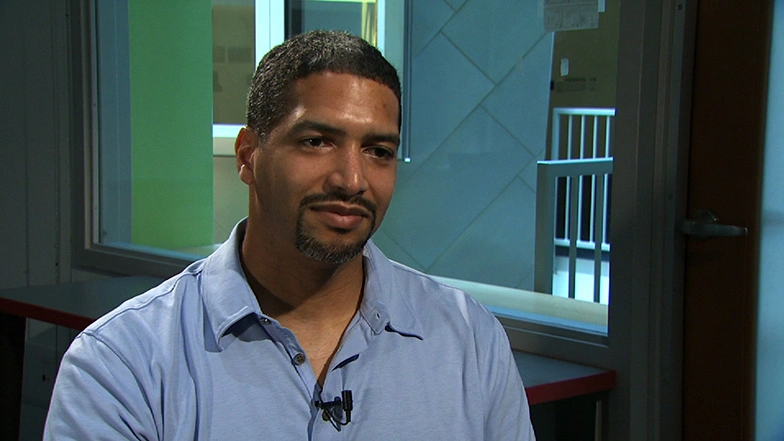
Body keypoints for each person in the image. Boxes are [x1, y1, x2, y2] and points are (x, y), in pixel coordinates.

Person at [44, 30, 536, 440]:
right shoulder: (123, 363)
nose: (351, 179)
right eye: (316, 141)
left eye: (378, 150)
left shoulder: (469, 340)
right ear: (247, 155)